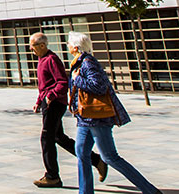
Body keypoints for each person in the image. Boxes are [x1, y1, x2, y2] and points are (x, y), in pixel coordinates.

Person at [67, 31, 160, 194]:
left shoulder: (88, 63)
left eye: (69, 43)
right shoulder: (79, 62)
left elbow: (99, 87)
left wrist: (77, 79)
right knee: (81, 152)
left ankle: (150, 191)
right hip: (85, 118)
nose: (67, 46)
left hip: (97, 118)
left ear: (75, 47)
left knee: (109, 157)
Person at [30, 32, 108, 188]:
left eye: (33, 46)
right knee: (58, 137)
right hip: (48, 102)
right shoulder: (42, 60)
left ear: (42, 45)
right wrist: (39, 101)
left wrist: (51, 95)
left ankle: (52, 176)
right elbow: (44, 85)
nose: (31, 50)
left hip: (55, 104)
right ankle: (97, 160)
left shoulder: (51, 59)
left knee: (46, 139)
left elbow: (62, 82)